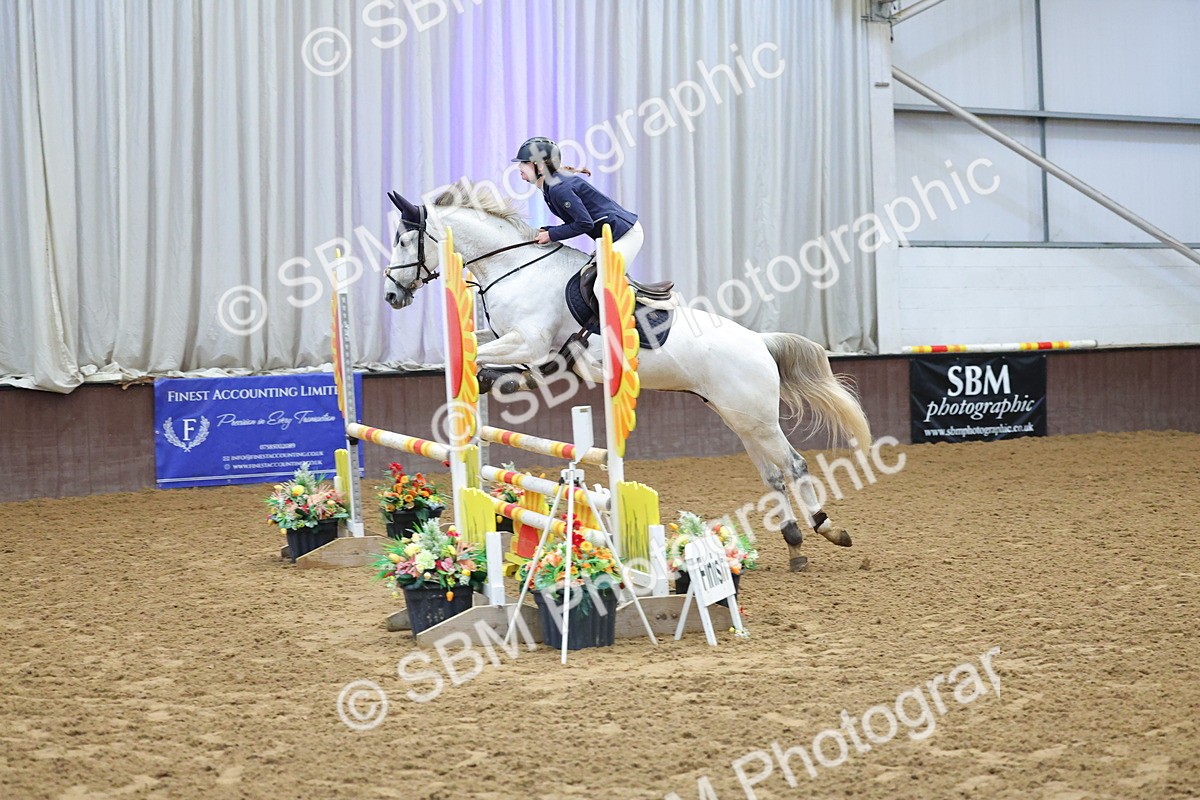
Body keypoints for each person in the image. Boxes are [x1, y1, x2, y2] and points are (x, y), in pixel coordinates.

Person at [512, 137, 643, 274]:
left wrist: (551, 235)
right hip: (610, 237)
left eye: (524, 162)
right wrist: (547, 230)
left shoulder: (559, 189)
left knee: (601, 286)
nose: (519, 167)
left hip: (625, 234)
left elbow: (585, 224)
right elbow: (576, 222)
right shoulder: (551, 187)